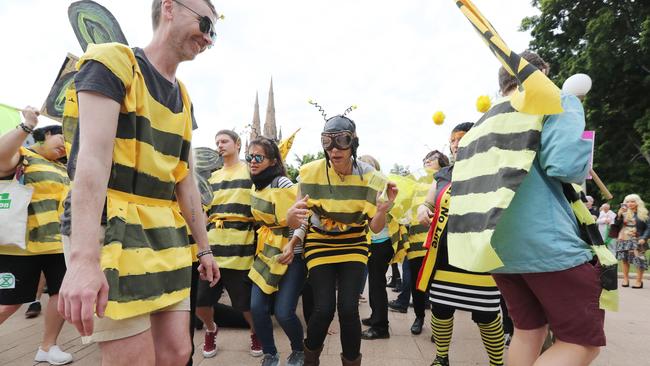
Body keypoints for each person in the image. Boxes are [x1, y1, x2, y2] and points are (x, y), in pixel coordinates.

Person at [57, 1, 221, 365]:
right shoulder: (113, 61)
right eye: (206, 23)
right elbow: (92, 160)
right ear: (169, 8)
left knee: (178, 352)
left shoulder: (184, 97)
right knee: (134, 360)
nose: (209, 38)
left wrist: (205, 247)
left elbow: (186, 180)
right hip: (113, 224)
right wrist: (84, 260)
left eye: (215, 31)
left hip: (164, 231)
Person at [449, 51, 606, 366]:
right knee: (580, 342)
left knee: (528, 331)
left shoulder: (481, 123)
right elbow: (565, 166)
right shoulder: (552, 98)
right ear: (542, 74)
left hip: (498, 247)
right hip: (547, 242)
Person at [287, 111, 397, 366]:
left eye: (342, 141)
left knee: (348, 308)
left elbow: (375, 227)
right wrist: (291, 219)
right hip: (320, 243)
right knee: (324, 309)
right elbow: (298, 219)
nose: (334, 149)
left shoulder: (371, 177)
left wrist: (381, 210)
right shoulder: (309, 172)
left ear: (353, 143)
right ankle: (310, 359)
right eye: (327, 141)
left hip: (354, 243)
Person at [417, 123, 505, 366]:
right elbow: (428, 202)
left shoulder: (492, 171)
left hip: (479, 255)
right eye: (453, 140)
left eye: (462, 138)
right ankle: (441, 358)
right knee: (441, 309)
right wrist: (423, 208)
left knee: (487, 315)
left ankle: (497, 362)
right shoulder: (443, 175)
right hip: (445, 253)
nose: (456, 144)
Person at [0, 113, 73, 365]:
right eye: (61, 136)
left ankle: (47, 346)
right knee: (8, 303)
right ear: (44, 135)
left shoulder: (64, 168)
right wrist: (26, 126)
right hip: (20, 246)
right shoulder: (24, 156)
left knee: (60, 296)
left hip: (58, 244)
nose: (64, 144)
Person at [198, 130, 261, 358]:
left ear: (237, 144)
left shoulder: (250, 172)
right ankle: (211, 329)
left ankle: (255, 332)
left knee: (244, 305)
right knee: (200, 302)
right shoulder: (211, 177)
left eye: (224, 141)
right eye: (216, 142)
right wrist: (199, 243)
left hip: (241, 249)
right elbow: (205, 212)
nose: (219, 145)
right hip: (213, 251)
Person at [246, 137, 306, 366]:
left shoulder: (282, 183)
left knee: (284, 312)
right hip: (266, 254)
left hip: (292, 255)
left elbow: (301, 219)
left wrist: (291, 246)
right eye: (249, 157)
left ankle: (298, 350)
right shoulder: (254, 185)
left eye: (258, 157)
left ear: (272, 161)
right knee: (257, 308)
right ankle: (270, 354)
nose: (252, 161)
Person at [357, 155, 394, 340]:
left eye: (366, 166)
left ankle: (381, 327)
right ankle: (375, 317)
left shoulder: (381, 186)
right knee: (374, 284)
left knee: (377, 285)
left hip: (380, 242)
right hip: (375, 242)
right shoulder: (376, 185)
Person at [614, 194, 649, 288]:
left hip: (637, 239)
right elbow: (616, 225)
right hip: (623, 239)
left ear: (637, 202)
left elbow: (648, 228)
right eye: (628, 201)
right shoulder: (624, 213)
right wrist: (619, 215)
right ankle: (625, 279)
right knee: (624, 259)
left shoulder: (643, 213)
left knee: (639, 259)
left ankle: (639, 281)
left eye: (632, 201)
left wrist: (644, 238)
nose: (630, 203)